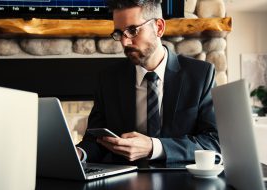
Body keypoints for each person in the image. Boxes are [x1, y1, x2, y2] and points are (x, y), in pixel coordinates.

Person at [76, 0, 220, 165]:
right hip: (125, 180)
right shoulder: (108, 79)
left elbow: (213, 141)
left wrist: (154, 147)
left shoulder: (200, 75)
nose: (125, 42)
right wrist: (79, 153)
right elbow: (96, 140)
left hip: (181, 179)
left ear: (159, 27)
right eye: (119, 33)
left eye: (132, 30)